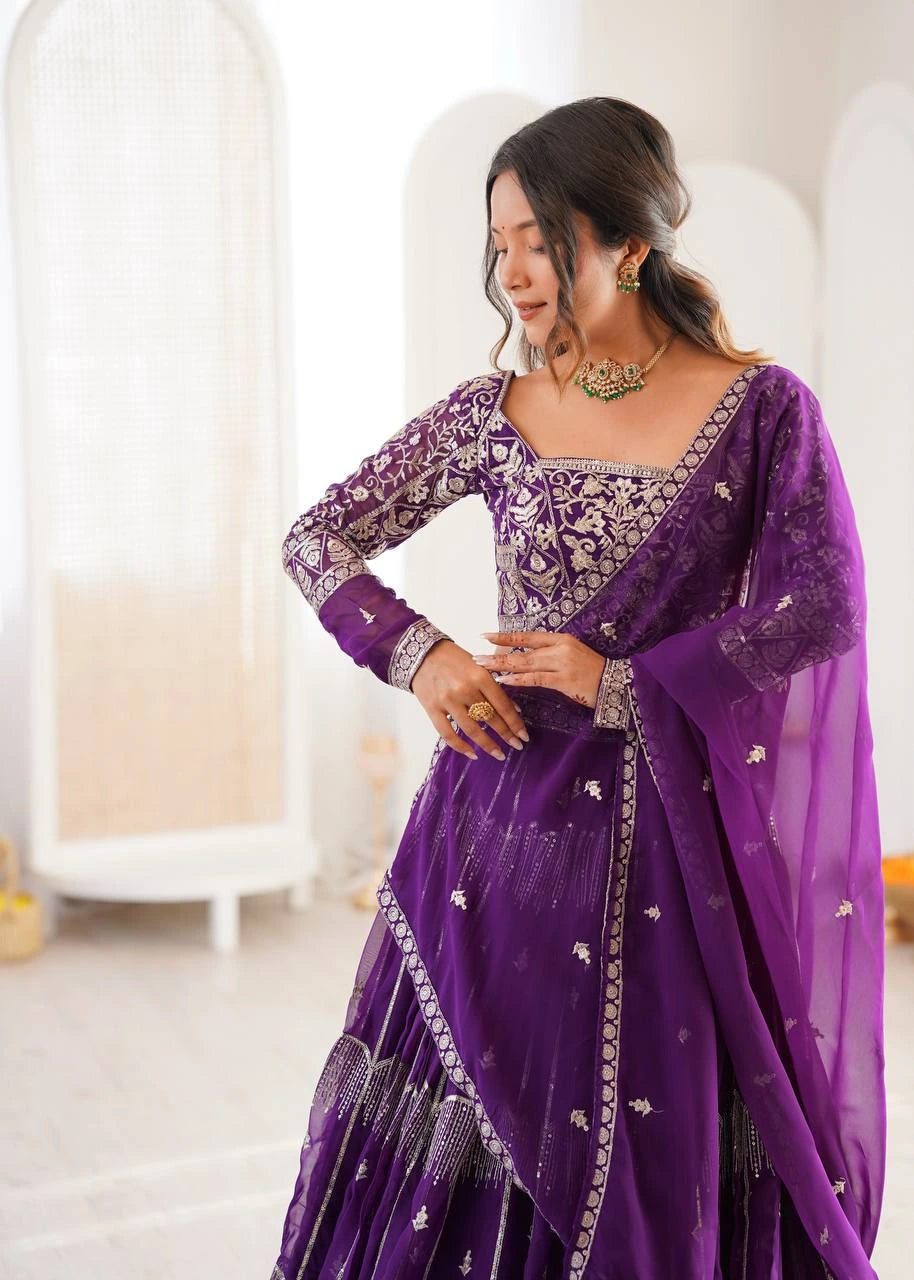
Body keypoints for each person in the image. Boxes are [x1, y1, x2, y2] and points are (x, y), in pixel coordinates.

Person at [269, 97, 885, 1279]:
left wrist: (628, 683)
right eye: (497, 241)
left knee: (656, 1126)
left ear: (630, 246)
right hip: (493, 843)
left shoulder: (761, 412)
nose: (509, 271)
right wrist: (422, 653)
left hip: (671, 851)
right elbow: (317, 539)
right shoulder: (488, 414)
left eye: (536, 240)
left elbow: (824, 607)